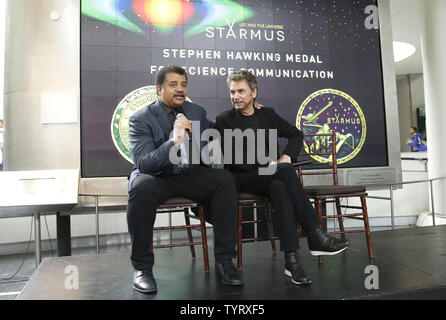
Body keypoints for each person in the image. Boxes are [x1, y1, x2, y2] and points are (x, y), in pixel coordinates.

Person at [215, 70, 350, 285]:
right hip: (242, 177)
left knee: (280, 187)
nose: (236, 96)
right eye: (232, 92)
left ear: (254, 93)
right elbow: (233, 159)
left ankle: (292, 261)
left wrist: (286, 156)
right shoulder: (224, 120)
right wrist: (273, 164)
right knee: (284, 171)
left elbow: (296, 134)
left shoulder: (266, 114)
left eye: (241, 91)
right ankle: (315, 234)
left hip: (270, 176)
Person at [127, 65, 242, 294]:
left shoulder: (195, 111)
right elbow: (145, 163)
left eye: (183, 84)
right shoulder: (141, 119)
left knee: (223, 179)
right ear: (159, 89)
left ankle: (225, 261)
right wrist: (175, 141)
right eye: (173, 85)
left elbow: (219, 130)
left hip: (189, 175)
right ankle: (142, 268)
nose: (180, 89)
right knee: (141, 187)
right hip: (158, 177)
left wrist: (247, 110)